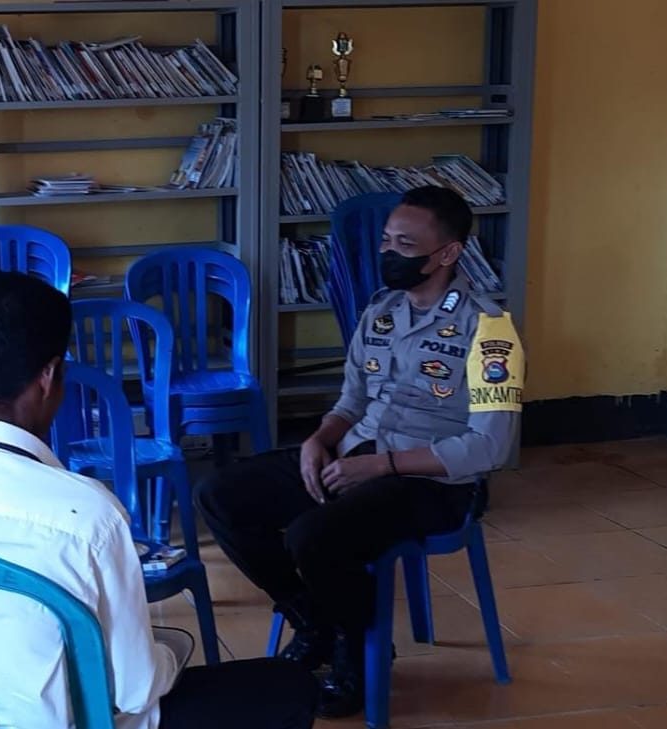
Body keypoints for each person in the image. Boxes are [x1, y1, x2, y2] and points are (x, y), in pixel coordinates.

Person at [0, 271, 318, 729]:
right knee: (287, 687)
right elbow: (135, 690)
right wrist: (172, 652)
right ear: (51, 375)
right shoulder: (86, 514)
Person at [196, 185, 526, 718]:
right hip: (356, 455)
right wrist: (319, 439)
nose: (389, 253)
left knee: (314, 536)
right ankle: (314, 620)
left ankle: (360, 649)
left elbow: (488, 447)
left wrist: (381, 465)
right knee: (220, 495)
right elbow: (351, 400)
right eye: (386, 241)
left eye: (405, 244)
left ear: (448, 253)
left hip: (433, 483)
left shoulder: (490, 331)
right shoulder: (381, 311)